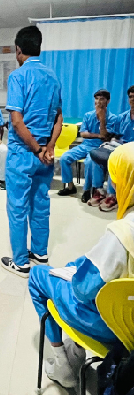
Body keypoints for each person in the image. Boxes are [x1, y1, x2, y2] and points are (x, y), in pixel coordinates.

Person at [28, 142, 134, 388]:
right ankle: (74, 350)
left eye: (114, 177)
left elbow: (83, 290)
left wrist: (77, 273)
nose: (112, 183)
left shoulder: (123, 234)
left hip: (116, 328)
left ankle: (62, 364)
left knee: (39, 276)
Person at [1, 25, 63, 278]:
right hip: (44, 155)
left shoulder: (18, 76)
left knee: (18, 207)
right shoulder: (53, 77)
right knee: (40, 203)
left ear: (18, 50)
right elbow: (59, 118)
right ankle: (40, 253)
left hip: (24, 153)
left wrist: (36, 149)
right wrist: (49, 147)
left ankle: (20, 263)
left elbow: (17, 122)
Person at [57, 90, 117, 203]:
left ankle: (87, 190)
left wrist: (102, 119)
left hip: (100, 147)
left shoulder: (113, 118)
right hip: (85, 145)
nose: (98, 101)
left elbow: (105, 137)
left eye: (102, 99)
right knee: (65, 157)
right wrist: (98, 135)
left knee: (89, 162)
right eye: (97, 99)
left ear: (108, 101)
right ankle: (70, 187)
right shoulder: (88, 115)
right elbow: (83, 133)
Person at [93, 86, 134, 212]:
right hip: (121, 146)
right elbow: (108, 135)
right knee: (95, 158)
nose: (132, 99)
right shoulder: (122, 118)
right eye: (130, 97)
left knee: (115, 159)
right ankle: (99, 190)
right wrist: (102, 119)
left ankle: (112, 195)